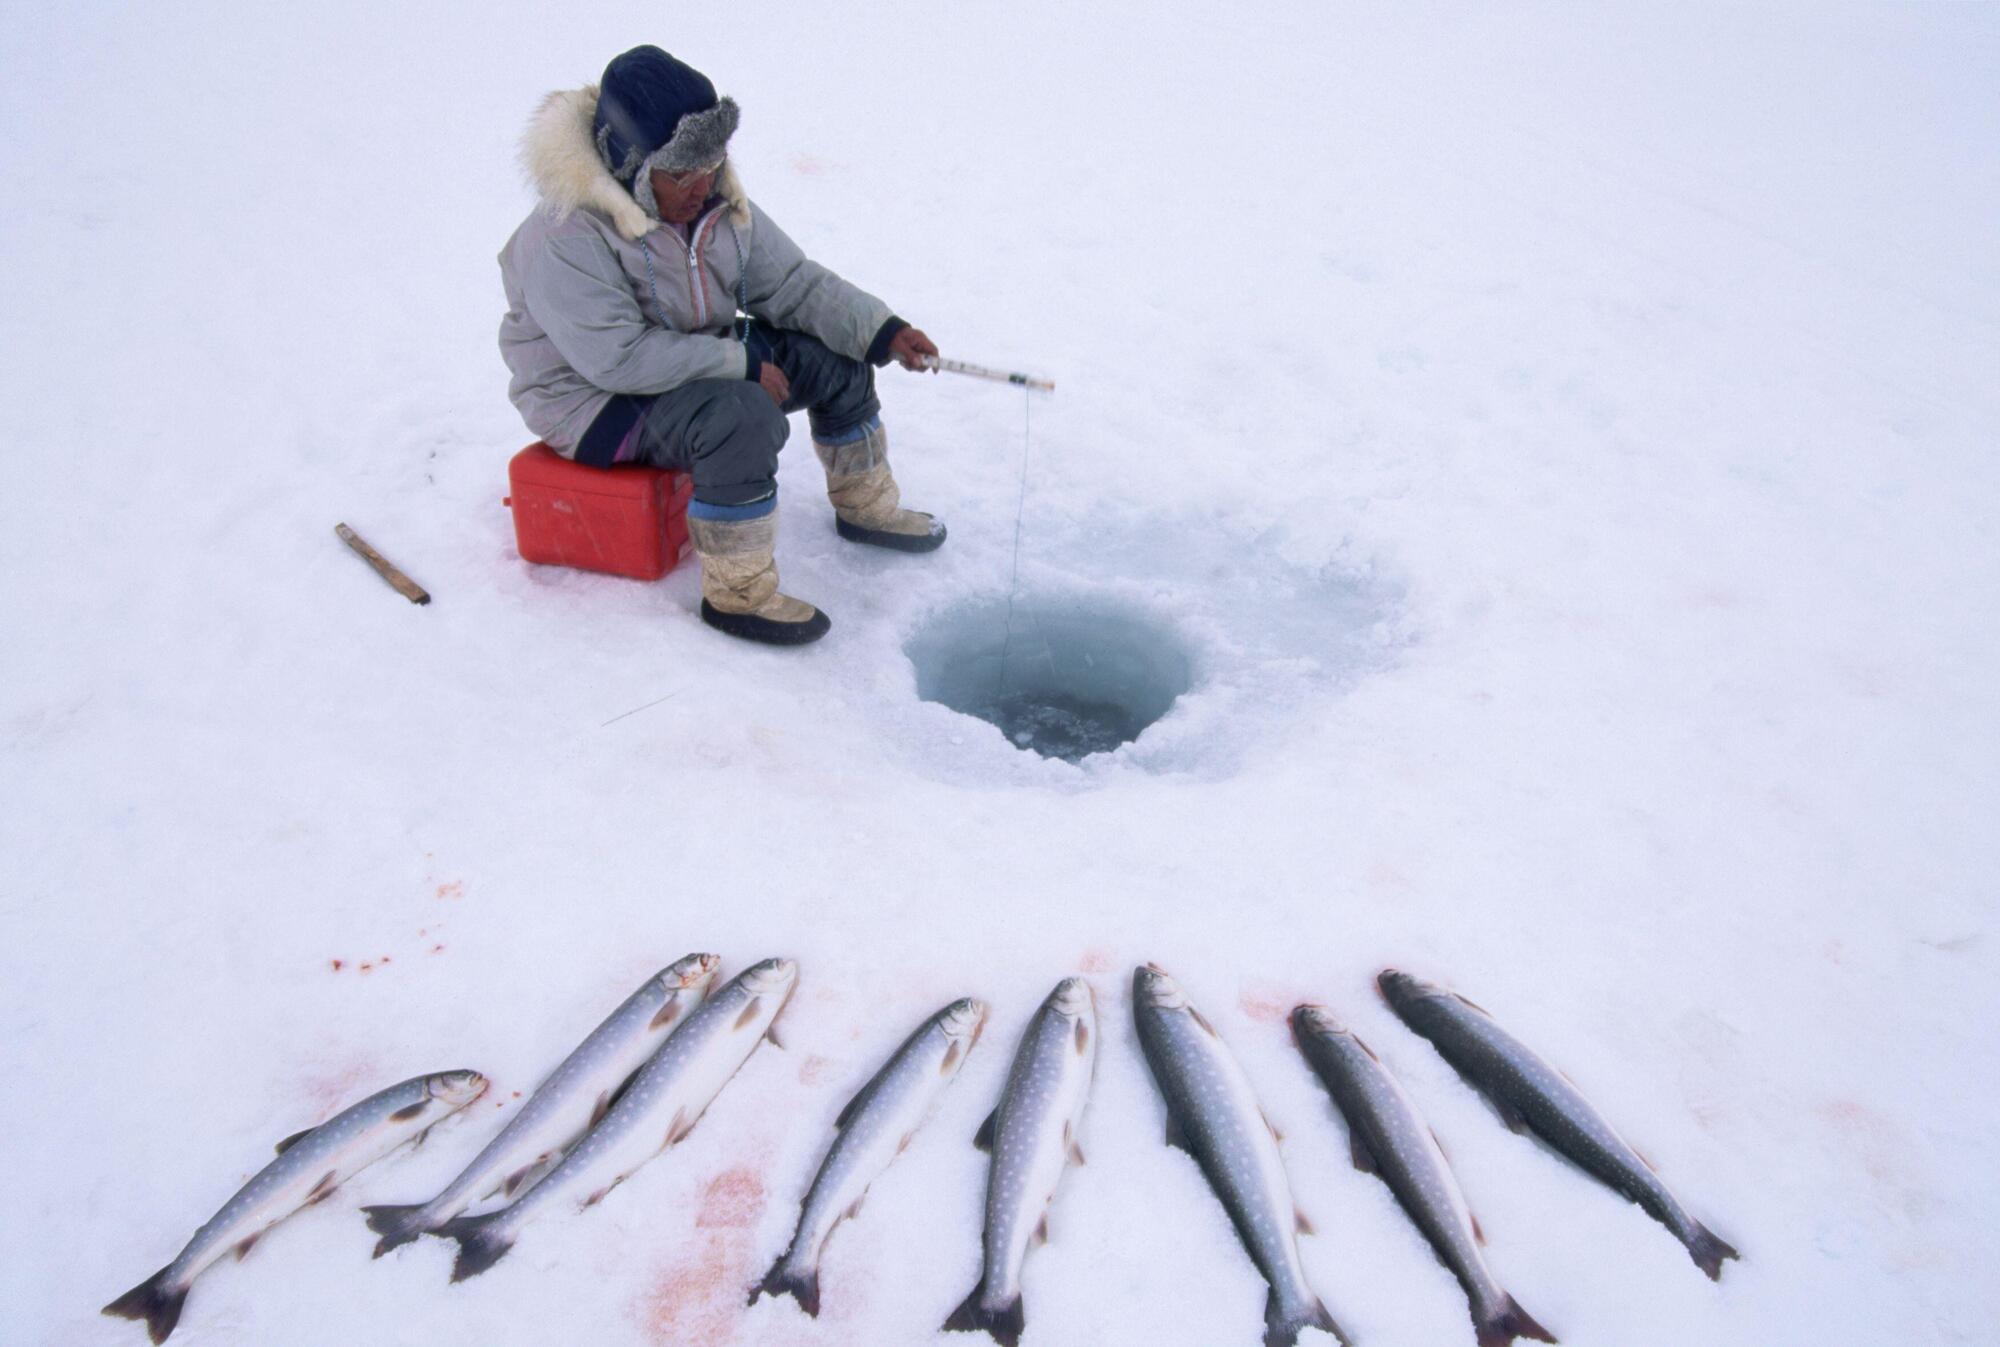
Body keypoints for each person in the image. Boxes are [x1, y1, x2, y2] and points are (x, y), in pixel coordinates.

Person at [498, 45, 944, 646]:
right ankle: (738, 595)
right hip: (590, 401)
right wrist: (739, 363)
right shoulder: (564, 234)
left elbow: (791, 284)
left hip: (688, 356)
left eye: (710, 165)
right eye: (680, 172)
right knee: (741, 417)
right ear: (628, 161)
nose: (701, 186)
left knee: (833, 353)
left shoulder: (716, 206)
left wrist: (881, 330)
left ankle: (866, 504)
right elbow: (617, 357)